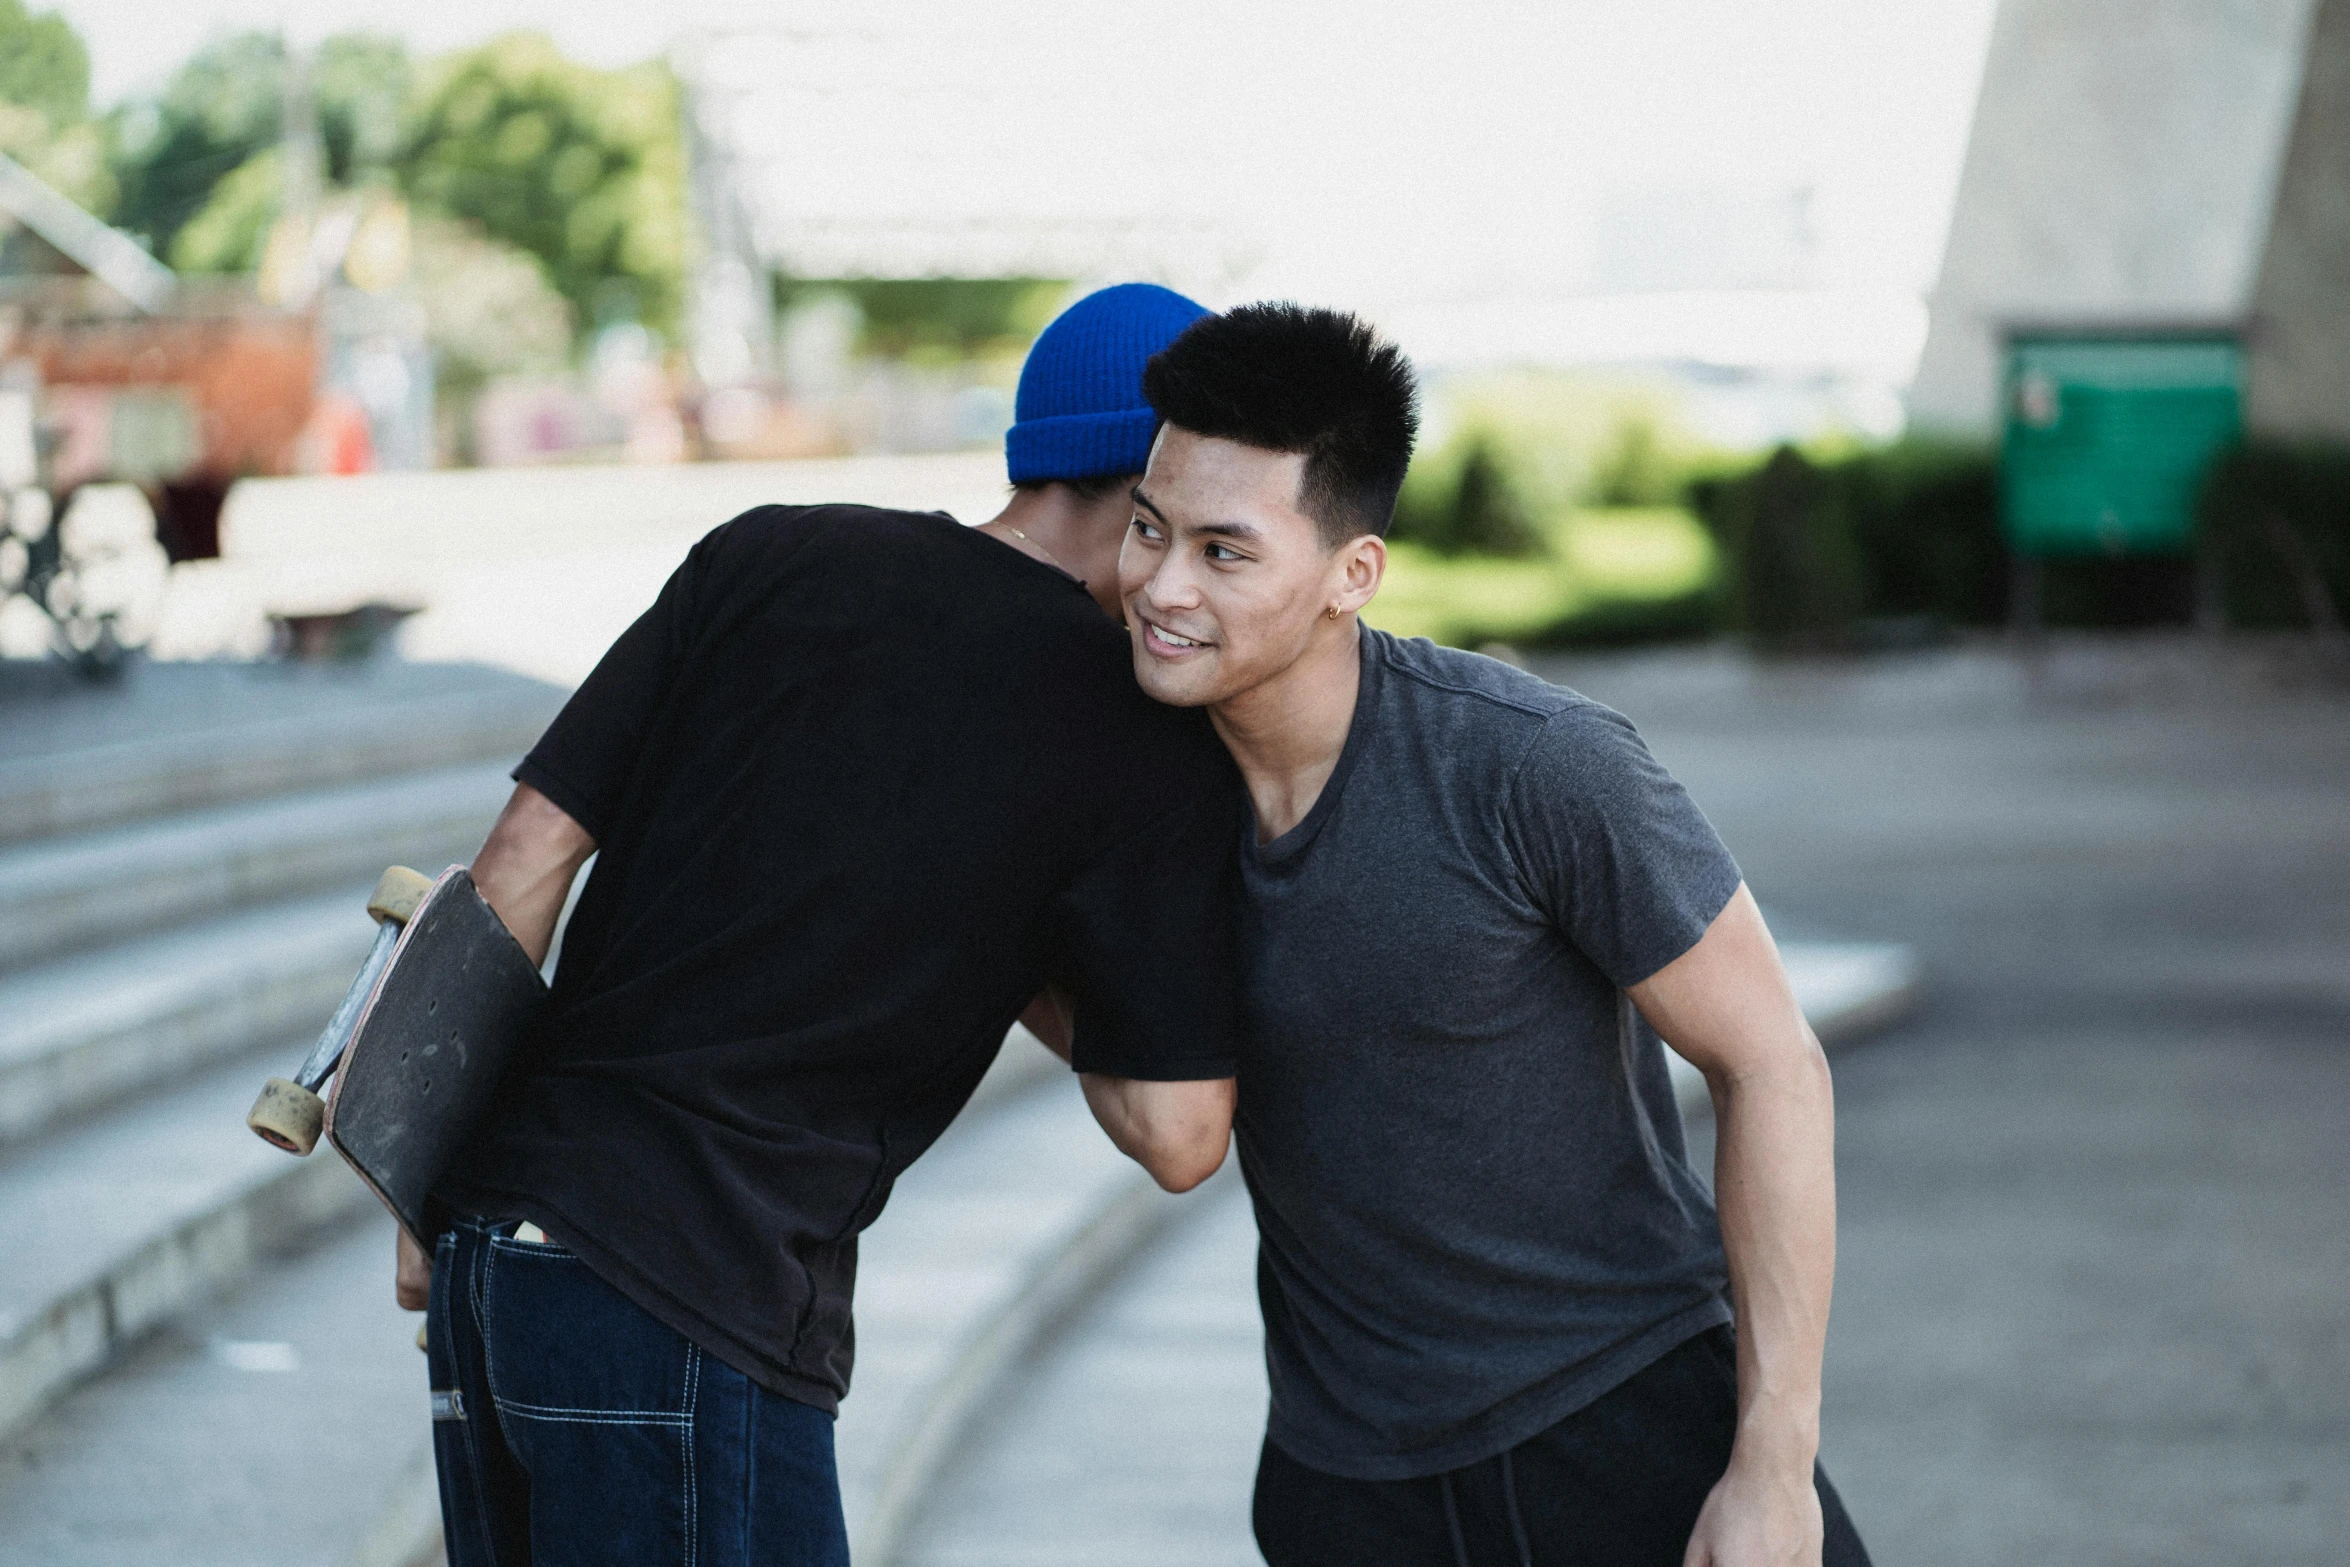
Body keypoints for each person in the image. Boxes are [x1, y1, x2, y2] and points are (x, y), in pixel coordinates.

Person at [400, 283, 1241, 1567]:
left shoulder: (768, 552)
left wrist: (419, 1190)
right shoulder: (1128, 726)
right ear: (1155, 481)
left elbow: (520, 863)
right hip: (696, 1293)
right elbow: (1179, 1134)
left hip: (491, 1255)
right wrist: (1018, 938)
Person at [1117, 303, 1873, 1567]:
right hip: (1343, 1487)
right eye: (1149, 527)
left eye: (1222, 551)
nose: (1162, 584)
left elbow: (1772, 1063)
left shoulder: (1533, 767)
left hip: (1621, 1430)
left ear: (1350, 575)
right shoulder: (1136, 802)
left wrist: (1771, 1462)